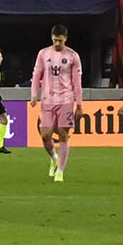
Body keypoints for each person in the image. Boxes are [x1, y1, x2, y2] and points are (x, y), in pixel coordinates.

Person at [31, 26, 83, 183]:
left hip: (66, 99)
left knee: (63, 134)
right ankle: (54, 157)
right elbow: (36, 75)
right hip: (47, 100)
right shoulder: (43, 53)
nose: (57, 43)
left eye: (60, 40)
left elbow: (77, 82)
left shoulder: (73, 56)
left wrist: (79, 104)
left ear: (65, 38)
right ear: (51, 37)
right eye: (55, 40)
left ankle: (60, 171)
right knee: (45, 135)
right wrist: (34, 95)